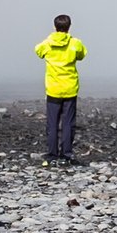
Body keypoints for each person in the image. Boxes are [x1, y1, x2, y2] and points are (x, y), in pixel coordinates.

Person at [36, 12, 88, 163]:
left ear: (55, 27)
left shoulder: (48, 43)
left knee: (52, 124)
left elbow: (38, 51)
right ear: (69, 27)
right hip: (70, 87)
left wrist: (50, 38)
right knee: (68, 123)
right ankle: (66, 154)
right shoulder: (75, 43)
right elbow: (82, 55)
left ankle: (52, 154)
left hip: (53, 89)